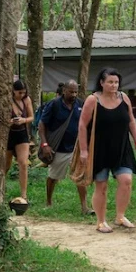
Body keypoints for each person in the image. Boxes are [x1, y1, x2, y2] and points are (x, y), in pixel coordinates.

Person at [78, 68, 136, 234]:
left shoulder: (124, 98)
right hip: (99, 149)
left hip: (122, 147)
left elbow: (131, 122)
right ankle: (101, 221)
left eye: (116, 82)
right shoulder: (93, 100)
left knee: (126, 180)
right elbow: (82, 125)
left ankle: (120, 216)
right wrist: (84, 151)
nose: (114, 85)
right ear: (101, 83)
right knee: (102, 185)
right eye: (110, 82)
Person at [38, 79, 89, 213]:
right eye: (71, 92)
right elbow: (42, 124)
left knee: (80, 176)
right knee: (53, 176)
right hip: (59, 148)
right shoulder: (54, 104)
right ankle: (48, 202)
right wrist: (44, 144)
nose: (73, 95)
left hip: (76, 147)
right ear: (64, 91)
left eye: (76, 92)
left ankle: (84, 206)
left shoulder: (80, 104)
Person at [6, 79, 35, 201]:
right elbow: (1, 120)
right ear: (13, 91)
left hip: (22, 134)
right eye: (19, 93)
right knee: (6, 165)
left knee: (23, 163)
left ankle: (24, 194)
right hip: (8, 134)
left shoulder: (26, 100)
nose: (21, 95)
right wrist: (11, 122)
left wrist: (23, 120)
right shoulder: (7, 100)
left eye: (23, 92)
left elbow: (31, 117)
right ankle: (0, 187)